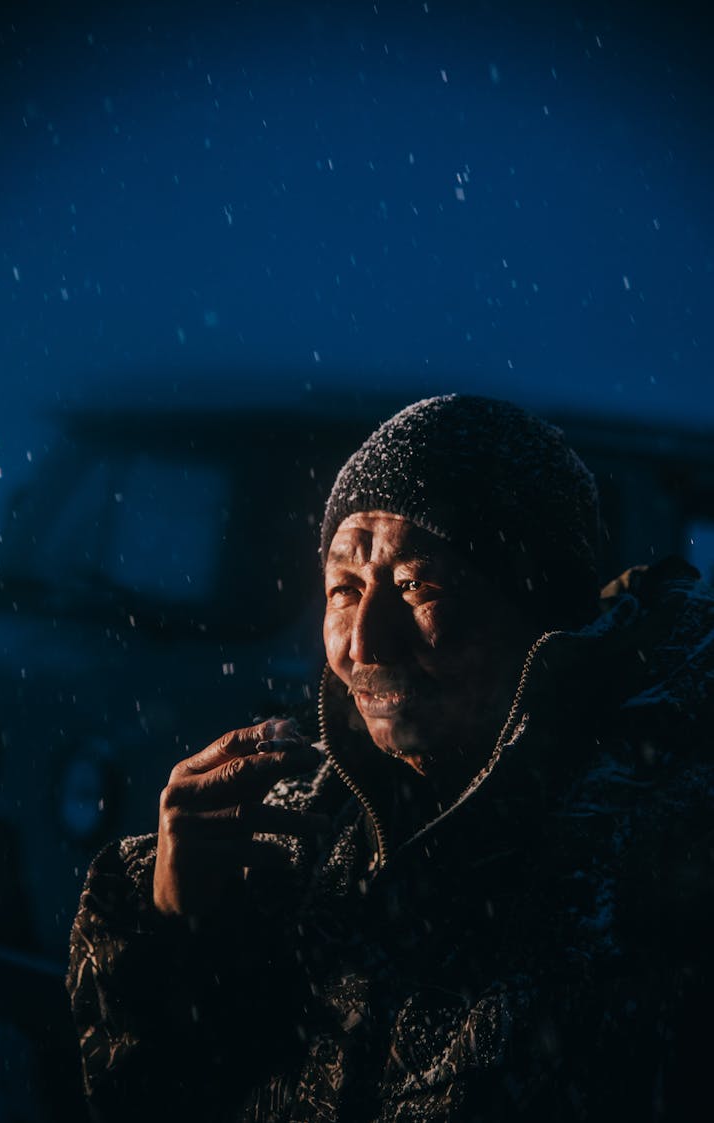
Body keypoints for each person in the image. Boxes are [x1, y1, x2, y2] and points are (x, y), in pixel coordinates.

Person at [67, 395, 713, 1122]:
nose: (363, 643)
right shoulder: (299, 837)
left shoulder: (660, 854)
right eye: (344, 588)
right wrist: (178, 938)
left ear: (541, 611)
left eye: (417, 587)